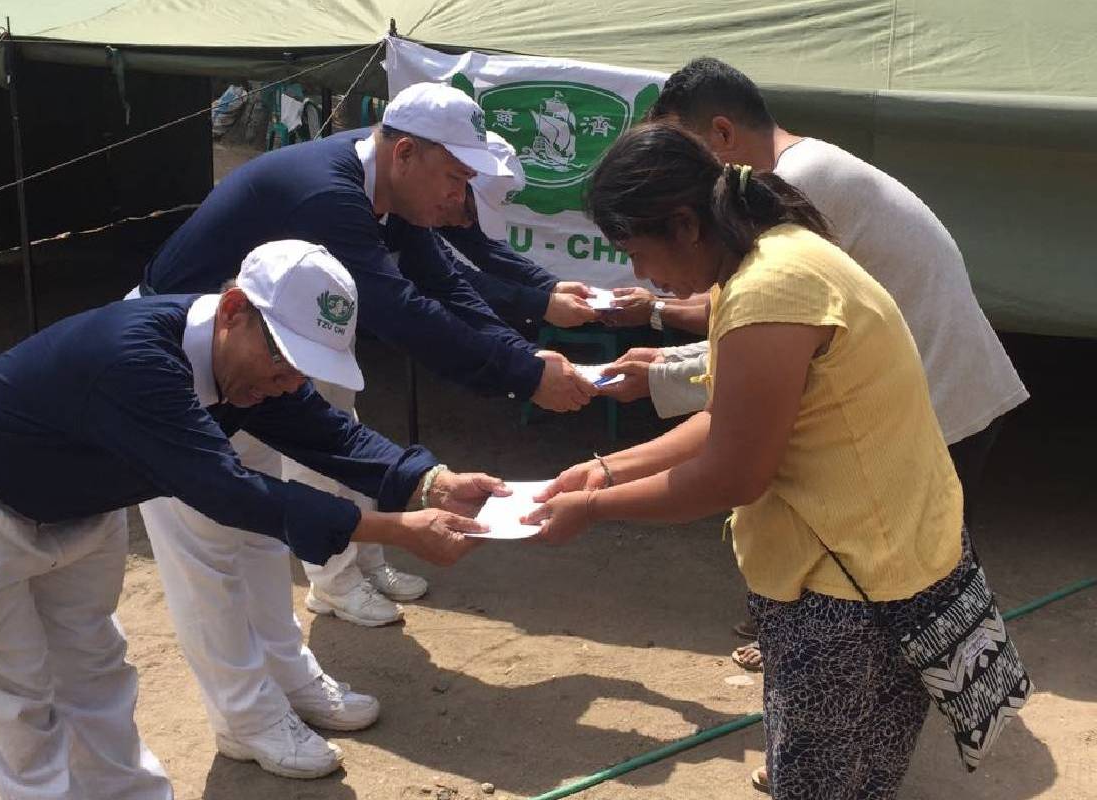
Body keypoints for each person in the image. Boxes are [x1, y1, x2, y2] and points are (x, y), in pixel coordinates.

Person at [0, 240, 503, 797]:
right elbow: (228, 491)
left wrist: (432, 482)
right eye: (283, 360)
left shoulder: (242, 364)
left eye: (304, 368)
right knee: (16, 706)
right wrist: (395, 529)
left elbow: (325, 430)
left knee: (96, 673)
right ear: (234, 309)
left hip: (76, 504)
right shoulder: (136, 361)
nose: (287, 383)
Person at [527, 122, 971, 800]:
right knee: (866, 777)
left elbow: (734, 471)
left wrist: (592, 508)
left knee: (819, 783)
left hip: (846, 591)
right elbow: (728, 418)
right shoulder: (780, 254)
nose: (642, 274)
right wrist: (607, 470)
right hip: (900, 555)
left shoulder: (770, 290)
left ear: (684, 223)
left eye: (638, 252)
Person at [599, 58, 1028, 697]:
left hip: (932, 401)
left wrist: (599, 491)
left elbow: (759, 361)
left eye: (681, 157)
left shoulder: (787, 213)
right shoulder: (781, 205)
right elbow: (749, 334)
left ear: (721, 135)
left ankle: (857, 702)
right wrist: (662, 328)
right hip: (917, 390)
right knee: (895, 591)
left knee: (886, 590)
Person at [137, 83, 595, 646]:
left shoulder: (388, 177)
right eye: (455, 178)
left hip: (274, 345)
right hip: (193, 355)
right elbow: (401, 311)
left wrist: (523, 356)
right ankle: (278, 667)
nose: (459, 197)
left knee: (284, 509)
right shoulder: (329, 196)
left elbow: (440, 281)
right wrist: (524, 376)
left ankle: (334, 602)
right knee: (217, 542)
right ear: (406, 153)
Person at [435, 133, 598, 333]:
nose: (467, 224)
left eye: (478, 218)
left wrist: (551, 286)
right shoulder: (411, 215)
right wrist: (543, 305)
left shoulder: (449, 204)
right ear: (459, 181)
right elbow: (444, 275)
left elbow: (487, 249)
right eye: (470, 213)